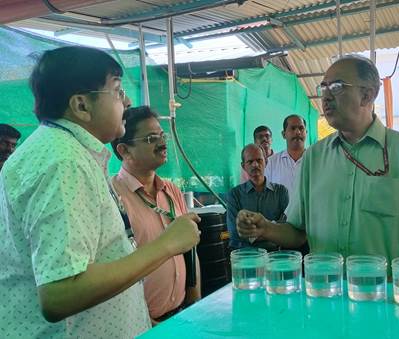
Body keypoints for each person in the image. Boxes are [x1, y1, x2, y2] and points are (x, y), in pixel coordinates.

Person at [0, 46, 200, 338]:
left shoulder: (60, 152)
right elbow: (60, 293)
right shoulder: (63, 162)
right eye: (118, 91)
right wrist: (166, 245)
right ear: (82, 105)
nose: (127, 101)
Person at [236, 55, 399, 264]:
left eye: (337, 87)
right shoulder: (314, 158)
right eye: (323, 87)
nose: (326, 96)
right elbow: (297, 232)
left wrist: (397, 282)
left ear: (367, 95)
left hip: (381, 298)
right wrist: (266, 228)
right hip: (325, 293)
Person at [111, 106, 201, 323]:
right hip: (141, 325)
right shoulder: (111, 196)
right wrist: (146, 324)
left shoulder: (172, 192)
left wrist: (195, 305)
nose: (162, 143)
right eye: (151, 138)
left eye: (162, 135)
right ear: (125, 151)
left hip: (182, 316)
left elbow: (190, 250)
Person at [227, 144, 288, 250]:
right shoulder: (234, 194)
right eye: (250, 162)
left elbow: (288, 226)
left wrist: (252, 231)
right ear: (243, 166)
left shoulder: (281, 192)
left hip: (274, 256)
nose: (255, 165)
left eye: (259, 160)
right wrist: (273, 230)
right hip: (245, 256)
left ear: (266, 162)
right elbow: (235, 233)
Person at [264, 115, 306, 194]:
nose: (298, 132)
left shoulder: (315, 160)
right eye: (293, 128)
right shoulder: (271, 163)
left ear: (306, 133)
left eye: (301, 128)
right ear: (283, 134)